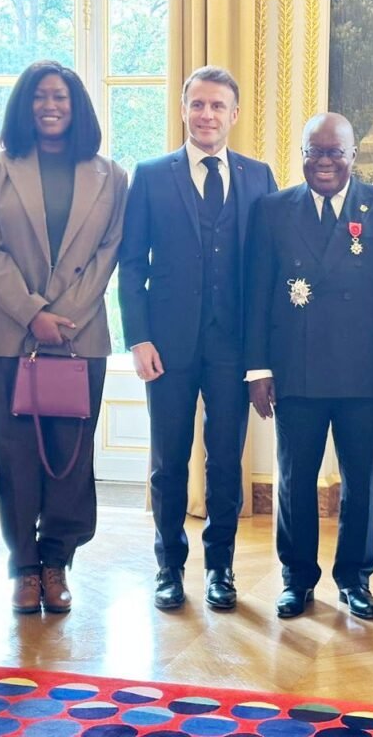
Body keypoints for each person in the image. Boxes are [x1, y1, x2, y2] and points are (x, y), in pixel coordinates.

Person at [246, 112, 373, 620]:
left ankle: (355, 578)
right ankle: (296, 578)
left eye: (334, 152)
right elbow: (256, 294)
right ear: (301, 155)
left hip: (364, 371)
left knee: (360, 479)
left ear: (352, 155)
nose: (324, 162)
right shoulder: (273, 210)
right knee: (295, 479)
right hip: (294, 368)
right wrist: (258, 370)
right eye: (314, 152)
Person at [0, 60, 128, 614]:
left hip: (80, 337)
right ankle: (24, 569)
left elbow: (109, 253)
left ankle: (58, 562)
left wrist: (62, 317)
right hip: (11, 337)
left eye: (59, 96)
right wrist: (34, 312)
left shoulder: (112, 174)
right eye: (39, 96)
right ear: (25, 105)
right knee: (16, 456)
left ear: (76, 103)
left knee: (70, 457)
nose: (50, 105)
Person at [119, 66, 277, 611]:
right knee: (168, 461)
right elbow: (131, 261)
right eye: (198, 105)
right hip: (167, 345)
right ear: (184, 110)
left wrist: (263, 356)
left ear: (233, 115)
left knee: (225, 462)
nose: (207, 115)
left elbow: (270, 268)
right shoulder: (151, 174)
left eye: (218, 106)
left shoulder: (259, 177)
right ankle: (169, 567)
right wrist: (138, 337)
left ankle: (221, 568)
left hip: (233, 348)